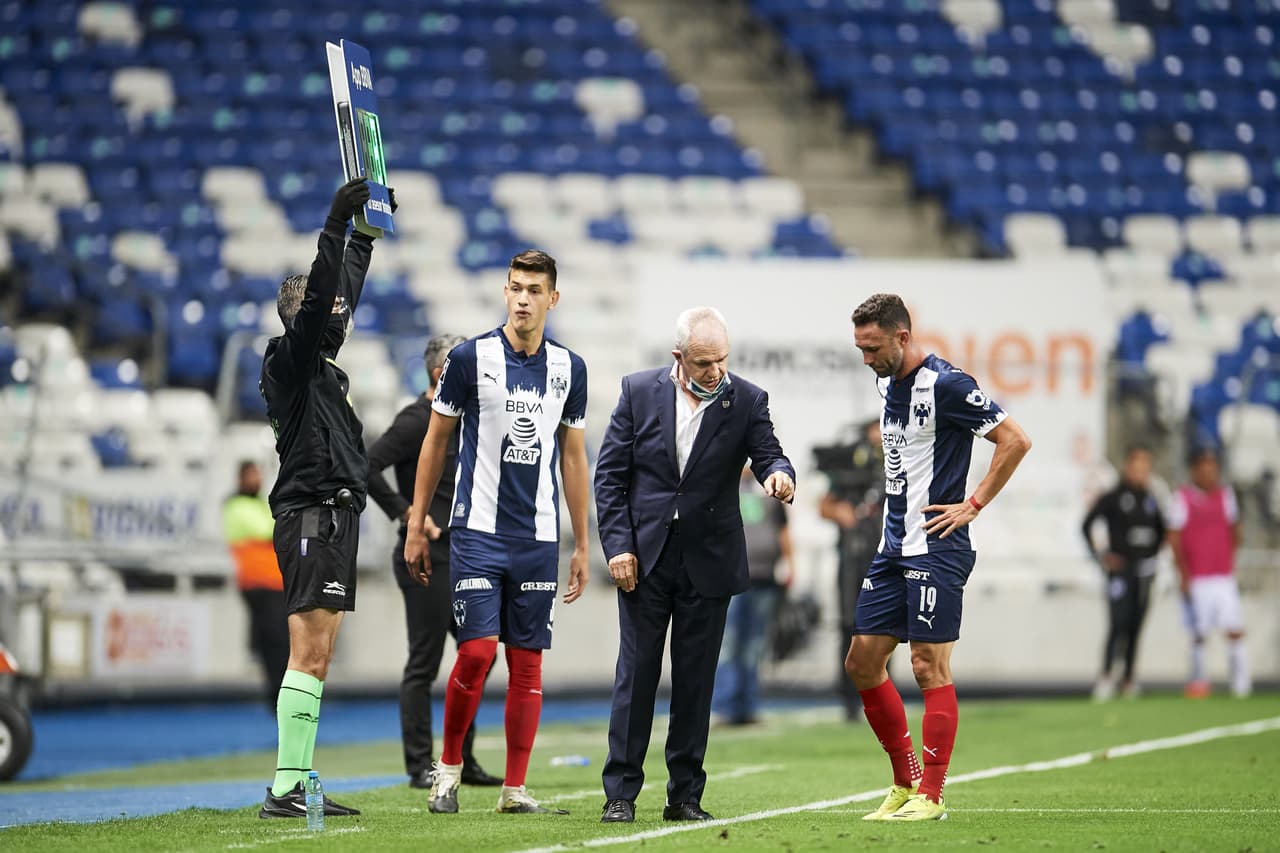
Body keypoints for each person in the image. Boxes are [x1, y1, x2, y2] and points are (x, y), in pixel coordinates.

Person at [403, 249, 590, 816]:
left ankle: (514, 788)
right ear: (505, 293)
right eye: (515, 288)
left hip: (537, 539)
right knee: (478, 653)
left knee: (527, 664)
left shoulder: (570, 368)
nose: (524, 299)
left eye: (535, 290)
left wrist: (581, 543)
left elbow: (574, 460)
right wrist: (415, 523)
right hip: (476, 533)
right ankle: (448, 771)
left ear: (553, 298)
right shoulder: (468, 358)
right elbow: (435, 441)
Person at [595, 307, 796, 824]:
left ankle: (684, 796)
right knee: (636, 676)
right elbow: (610, 478)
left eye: (721, 360)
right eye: (704, 362)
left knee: (695, 681)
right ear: (678, 357)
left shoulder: (746, 399)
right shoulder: (638, 391)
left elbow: (769, 452)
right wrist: (618, 546)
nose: (715, 371)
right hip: (644, 559)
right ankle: (620, 793)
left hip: (709, 560)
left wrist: (779, 474)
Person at [844, 293, 1031, 822]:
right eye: (859, 348)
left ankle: (932, 794)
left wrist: (973, 504)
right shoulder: (886, 381)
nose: (866, 359)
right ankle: (903, 783)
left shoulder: (948, 384)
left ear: (902, 336)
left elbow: (1014, 440)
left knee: (928, 665)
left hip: (937, 546)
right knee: (861, 661)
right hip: (892, 546)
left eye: (873, 347)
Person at [256, 176, 385, 819]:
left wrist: (363, 237)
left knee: (319, 653)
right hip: (311, 514)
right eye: (329, 305)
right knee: (308, 651)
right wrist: (334, 227)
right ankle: (285, 788)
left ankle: (297, 781)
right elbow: (320, 310)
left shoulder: (321, 367)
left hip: (329, 515)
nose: (341, 310)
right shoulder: (290, 362)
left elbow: (340, 296)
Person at [366, 334, 502, 790]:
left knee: (477, 659)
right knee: (424, 663)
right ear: (442, 373)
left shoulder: (468, 420)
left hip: (467, 555)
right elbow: (366, 465)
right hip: (427, 557)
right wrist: (409, 515)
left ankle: (460, 758)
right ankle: (420, 763)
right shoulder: (414, 421)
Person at [1080, 445, 1165, 701]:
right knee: (1118, 622)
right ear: (1128, 468)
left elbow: (1162, 530)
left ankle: (1128, 678)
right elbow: (1086, 524)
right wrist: (1102, 556)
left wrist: (1152, 555)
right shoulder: (1114, 497)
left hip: (1144, 572)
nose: (1140, 472)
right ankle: (1106, 675)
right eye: (1136, 467)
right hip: (1120, 572)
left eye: (1145, 468)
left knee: (1136, 625)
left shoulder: (1151, 499)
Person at [711, 466, 795, 727]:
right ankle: (724, 707)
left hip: (765, 577)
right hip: (731, 576)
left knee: (754, 647)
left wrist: (791, 564)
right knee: (728, 644)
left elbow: (782, 529)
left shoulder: (770, 486)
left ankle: (747, 706)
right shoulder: (720, 487)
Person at [1167, 447, 1250, 699]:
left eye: (1213, 468)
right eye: (1204, 468)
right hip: (1197, 576)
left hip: (1222, 575)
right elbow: (1174, 537)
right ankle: (1199, 680)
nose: (1209, 473)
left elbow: (1235, 530)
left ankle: (1241, 684)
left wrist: (1228, 560)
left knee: (1234, 628)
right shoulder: (1182, 498)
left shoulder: (1226, 496)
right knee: (1199, 633)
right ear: (1194, 470)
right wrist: (1183, 574)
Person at [817, 418, 885, 721]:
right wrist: (840, 513)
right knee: (849, 624)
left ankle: (881, 694)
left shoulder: (896, 465)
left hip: (884, 556)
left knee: (883, 629)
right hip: (851, 556)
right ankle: (849, 698)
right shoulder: (850, 468)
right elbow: (825, 504)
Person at [222, 460, 289, 710]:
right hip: (259, 584)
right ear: (240, 479)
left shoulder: (257, 503)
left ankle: (280, 696)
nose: (256, 480)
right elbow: (269, 529)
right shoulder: (236, 506)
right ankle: (277, 697)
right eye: (251, 476)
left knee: (276, 641)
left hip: (274, 582)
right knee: (275, 642)